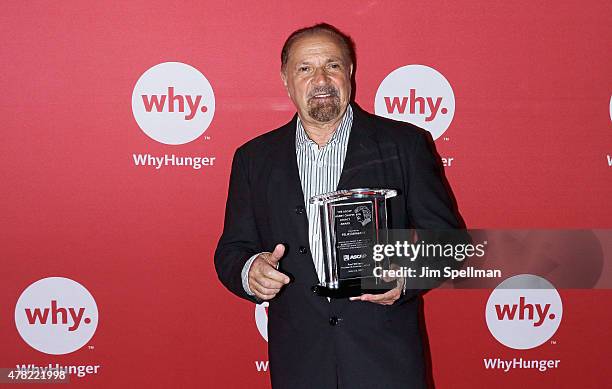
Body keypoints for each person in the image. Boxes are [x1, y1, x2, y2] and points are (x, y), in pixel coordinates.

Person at [215, 23, 461, 389]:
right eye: (305, 68)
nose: (320, 79)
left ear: (350, 72)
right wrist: (251, 270)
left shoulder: (405, 144)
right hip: (300, 363)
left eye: (332, 65)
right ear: (285, 78)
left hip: (386, 360)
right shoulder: (254, 158)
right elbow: (232, 250)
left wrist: (406, 275)